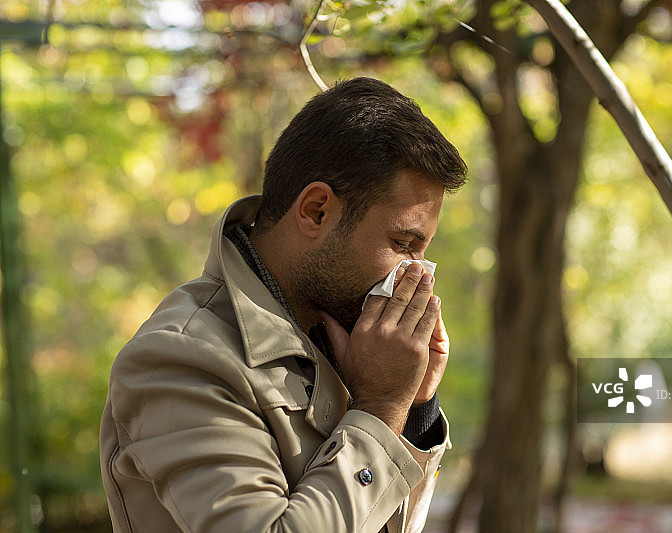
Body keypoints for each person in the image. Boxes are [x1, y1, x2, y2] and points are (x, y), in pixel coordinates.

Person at [99, 77, 468, 532]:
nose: (417, 276)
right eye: (403, 243)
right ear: (316, 210)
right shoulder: (182, 358)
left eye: (423, 250)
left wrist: (414, 409)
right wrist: (378, 409)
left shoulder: (341, 340)